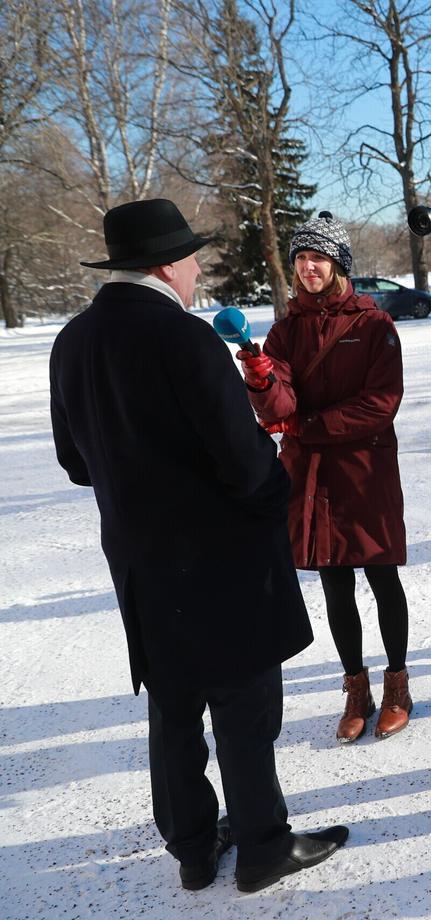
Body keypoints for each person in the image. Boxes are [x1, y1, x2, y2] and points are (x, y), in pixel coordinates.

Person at [50, 198, 348, 893]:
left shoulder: (74, 340)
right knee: (244, 707)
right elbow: (246, 466)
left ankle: (191, 847)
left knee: (173, 707)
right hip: (219, 559)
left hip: (139, 557)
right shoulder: (184, 339)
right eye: (190, 258)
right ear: (165, 264)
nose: (194, 269)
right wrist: (275, 497)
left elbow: (75, 461)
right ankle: (263, 847)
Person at [237, 211, 413, 744]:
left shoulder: (373, 324)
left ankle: (398, 685)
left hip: (366, 469)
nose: (308, 267)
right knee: (336, 583)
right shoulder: (284, 331)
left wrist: (309, 424)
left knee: (382, 576)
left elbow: (381, 404)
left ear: (338, 263)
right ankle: (356, 689)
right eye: (300, 259)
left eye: (318, 257)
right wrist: (261, 378)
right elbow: (277, 410)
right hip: (311, 474)